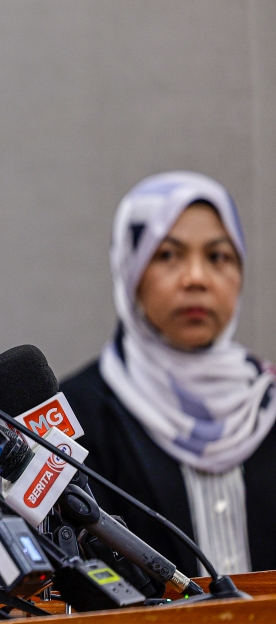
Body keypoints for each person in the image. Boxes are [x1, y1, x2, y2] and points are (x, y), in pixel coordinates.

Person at [61, 171, 276, 577]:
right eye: (167, 255)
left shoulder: (268, 400)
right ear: (130, 271)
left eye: (218, 257)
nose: (195, 278)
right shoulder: (81, 413)